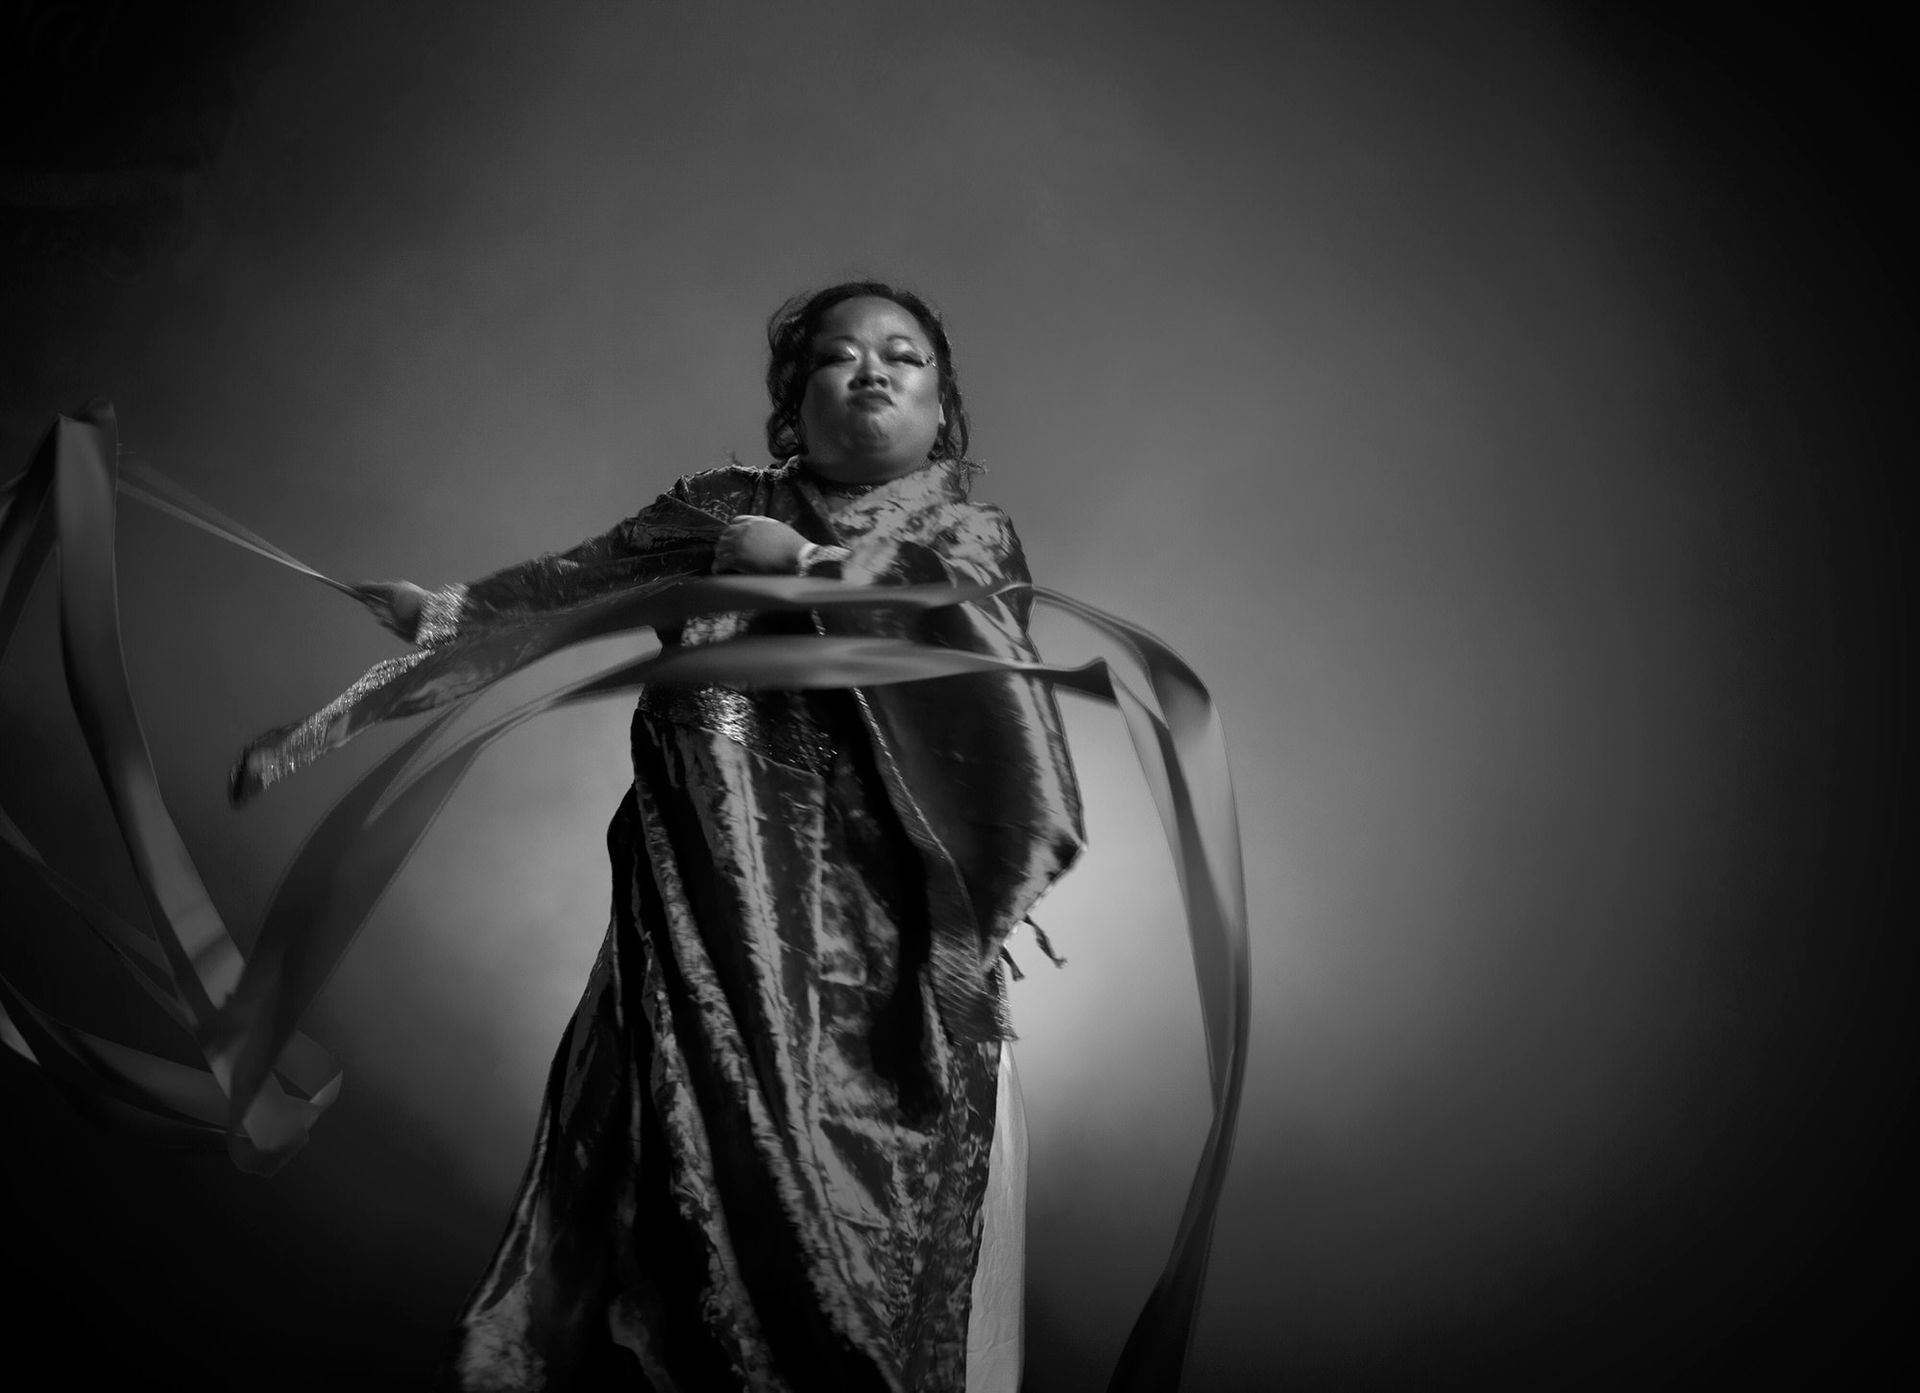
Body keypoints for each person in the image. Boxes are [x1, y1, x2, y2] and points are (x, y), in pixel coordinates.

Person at [276, 283, 1085, 1392]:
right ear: (790, 409)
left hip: (879, 938)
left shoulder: (961, 530)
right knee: (683, 1200)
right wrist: (444, 612)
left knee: (865, 1210)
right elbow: (575, 583)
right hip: (707, 909)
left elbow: (962, 662)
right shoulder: (716, 506)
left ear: (943, 414)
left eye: (905, 358)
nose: (873, 371)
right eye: (837, 357)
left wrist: (797, 567)